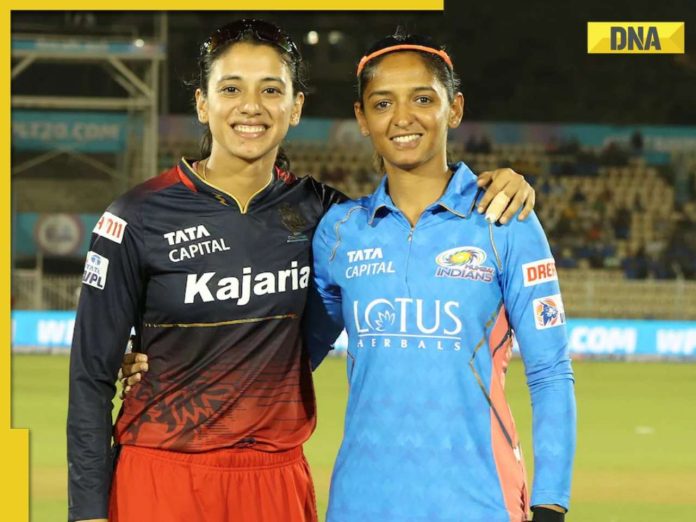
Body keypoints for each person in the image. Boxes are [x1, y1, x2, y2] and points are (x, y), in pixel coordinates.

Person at [93, 20, 535, 522]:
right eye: (231, 88)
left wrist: (503, 183)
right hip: (163, 470)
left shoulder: (329, 217)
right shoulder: (142, 213)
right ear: (202, 102)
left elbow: (312, 336)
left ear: (296, 106)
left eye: (271, 89)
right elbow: (91, 375)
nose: (251, 106)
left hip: (275, 478)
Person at [304, 33, 576, 521]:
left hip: (478, 504)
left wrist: (551, 503)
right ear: (362, 119)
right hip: (360, 504)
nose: (402, 117)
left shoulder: (504, 218)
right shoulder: (340, 232)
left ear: (455, 108)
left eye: (423, 99)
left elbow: (550, 370)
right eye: (383, 103)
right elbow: (292, 360)